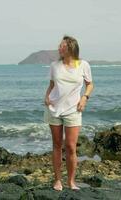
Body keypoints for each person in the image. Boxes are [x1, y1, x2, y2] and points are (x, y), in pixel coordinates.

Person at [44, 35, 94, 191]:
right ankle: (57, 180)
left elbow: (90, 84)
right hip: (54, 109)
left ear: (71, 47)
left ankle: (71, 182)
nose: (59, 48)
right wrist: (46, 97)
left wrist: (84, 98)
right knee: (57, 145)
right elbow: (52, 84)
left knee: (71, 147)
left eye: (62, 46)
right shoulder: (54, 65)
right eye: (59, 46)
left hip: (74, 109)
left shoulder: (83, 64)